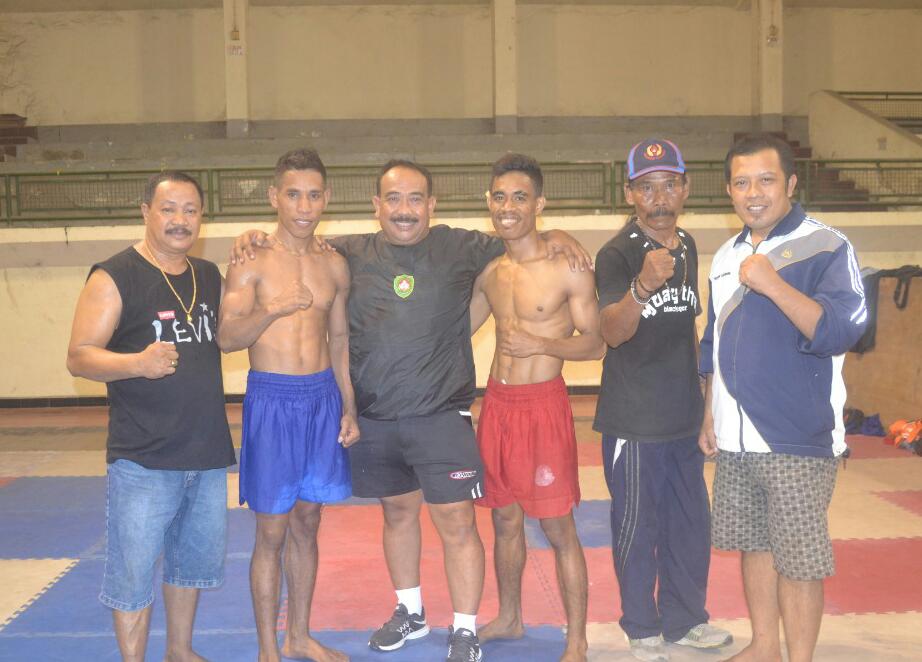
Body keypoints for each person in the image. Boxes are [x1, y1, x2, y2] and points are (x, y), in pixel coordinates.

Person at [231, 159, 591, 662]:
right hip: (378, 415)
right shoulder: (348, 253)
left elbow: (518, 230)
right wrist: (253, 236)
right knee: (397, 514)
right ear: (376, 205)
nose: (405, 210)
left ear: (432, 205)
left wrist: (556, 233)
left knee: (457, 521)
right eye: (394, 199)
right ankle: (411, 611)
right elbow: (298, 238)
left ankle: (464, 629)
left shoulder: (461, 247)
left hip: (441, 412)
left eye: (415, 199)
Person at [699, 134, 866, 662]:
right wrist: (709, 414)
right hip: (734, 436)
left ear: (790, 183)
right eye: (742, 182)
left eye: (766, 180)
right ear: (729, 190)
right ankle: (765, 646)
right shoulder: (725, 256)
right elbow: (712, 344)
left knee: (799, 559)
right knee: (754, 544)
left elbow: (841, 330)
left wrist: (773, 284)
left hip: (795, 435)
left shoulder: (827, 246)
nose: (754, 192)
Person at [66, 171, 236, 662]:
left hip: (205, 451)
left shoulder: (208, 274)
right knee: (133, 576)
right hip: (143, 457)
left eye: (191, 210)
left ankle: (180, 651)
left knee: (190, 566)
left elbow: (236, 327)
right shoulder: (114, 275)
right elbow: (78, 356)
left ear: (202, 217)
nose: (180, 220)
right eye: (169, 209)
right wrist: (137, 363)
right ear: (146, 212)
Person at [217, 149, 358, 662]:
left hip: (322, 399)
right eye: (293, 194)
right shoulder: (250, 260)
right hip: (272, 399)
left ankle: (299, 636)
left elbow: (340, 341)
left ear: (327, 198)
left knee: (308, 522)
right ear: (274, 196)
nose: (304, 206)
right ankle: (267, 650)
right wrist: (273, 308)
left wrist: (349, 407)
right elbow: (226, 338)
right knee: (271, 530)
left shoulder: (334, 264)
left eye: (314, 195)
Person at [594, 139, 732, 662]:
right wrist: (641, 287)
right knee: (637, 528)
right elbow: (612, 332)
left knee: (690, 525)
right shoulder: (616, 253)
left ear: (685, 188)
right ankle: (642, 628)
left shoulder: (688, 245)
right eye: (647, 187)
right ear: (630, 193)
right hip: (634, 420)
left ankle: (685, 620)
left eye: (669, 184)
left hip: (682, 416)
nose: (659, 197)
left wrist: (703, 407)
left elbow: (687, 329)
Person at [468, 154, 603, 662]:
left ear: (539, 204)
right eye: (500, 197)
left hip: (543, 407)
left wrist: (541, 345)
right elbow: (455, 332)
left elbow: (595, 343)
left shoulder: (568, 265)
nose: (508, 207)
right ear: (489, 202)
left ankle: (577, 639)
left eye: (520, 197)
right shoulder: (490, 272)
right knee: (504, 521)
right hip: (497, 405)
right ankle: (510, 616)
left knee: (557, 527)